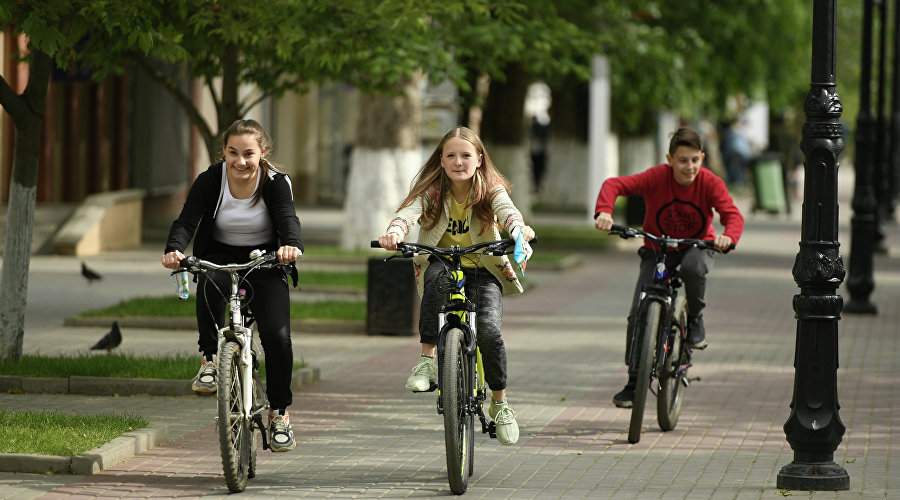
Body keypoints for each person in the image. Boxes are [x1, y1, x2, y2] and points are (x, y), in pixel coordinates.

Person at [376, 126, 536, 445]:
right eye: (451, 155)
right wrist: (394, 231)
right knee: (436, 280)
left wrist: (519, 230)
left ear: (479, 159)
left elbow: (508, 212)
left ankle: (500, 403)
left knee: (489, 332)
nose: (458, 162)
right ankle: (426, 362)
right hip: (443, 262)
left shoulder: (490, 188)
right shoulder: (433, 191)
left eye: (466, 155)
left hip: (483, 268)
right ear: (441, 159)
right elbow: (407, 214)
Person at [161, 119, 303, 452]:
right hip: (220, 256)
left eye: (249, 153)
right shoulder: (211, 179)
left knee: (278, 337)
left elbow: (287, 217)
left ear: (262, 152)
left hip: (265, 261)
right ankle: (210, 360)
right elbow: (187, 219)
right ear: (223, 152)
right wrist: (174, 249)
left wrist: (290, 246)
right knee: (210, 283)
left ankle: (280, 414)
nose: (241, 161)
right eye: (233, 153)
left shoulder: (275, 182)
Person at [593, 127, 744, 408]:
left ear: (702, 158)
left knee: (693, 268)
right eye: (682, 160)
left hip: (695, 246)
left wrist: (728, 237)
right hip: (657, 248)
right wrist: (605, 211)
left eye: (695, 160)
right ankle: (633, 380)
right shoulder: (656, 178)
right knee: (638, 311)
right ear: (670, 159)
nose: (689, 167)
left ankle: (695, 319)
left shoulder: (710, 183)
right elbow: (614, 185)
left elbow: (733, 215)